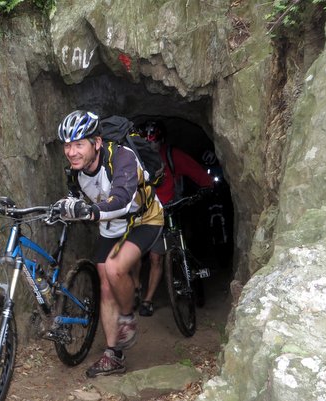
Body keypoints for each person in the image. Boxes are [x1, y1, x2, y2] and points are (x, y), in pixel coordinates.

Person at [55, 110, 164, 377]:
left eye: (79, 144)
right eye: (67, 145)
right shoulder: (75, 172)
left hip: (144, 219)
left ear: (97, 143)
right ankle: (113, 355)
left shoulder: (122, 157)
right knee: (105, 283)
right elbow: (76, 197)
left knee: (115, 268)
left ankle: (127, 316)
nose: (72, 152)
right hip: (111, 226)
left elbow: (124, 200)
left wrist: (91, 212)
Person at [133, 120, 213, 317]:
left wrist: (207, 184)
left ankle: (148, 300)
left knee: (156, 256)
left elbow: (196, 172)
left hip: (168, 210)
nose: (151, 147)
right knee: (134, 255)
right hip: (142, 213)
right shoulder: (133, 160)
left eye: (154, 142)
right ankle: (136, 288)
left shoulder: (170, 155)